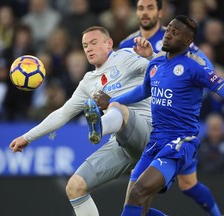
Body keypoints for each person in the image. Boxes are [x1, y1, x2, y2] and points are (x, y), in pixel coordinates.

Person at [102, 15, 224, 215]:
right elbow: (143, 91)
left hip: (180, 142)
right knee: (136, 204)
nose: (168, 35)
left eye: (175, 32)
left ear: (188, 41)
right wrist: (112, 100)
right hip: (155, 141)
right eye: (168, 29)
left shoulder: (196, 66)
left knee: (139, 191)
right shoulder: (156, 64)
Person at [9, 26, 161, 216]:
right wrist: (27, 137)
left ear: (109, 43)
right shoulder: (88, 82)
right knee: (75, 187)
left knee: (116, 106)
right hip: (123, 143)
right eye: (85, 45)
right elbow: (62, 114)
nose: (88, 48)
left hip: (150, 134)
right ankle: (100, 127)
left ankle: (99, 126)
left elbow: (166, 73)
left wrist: (150, 56)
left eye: (94, 43)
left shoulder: (126, 56)